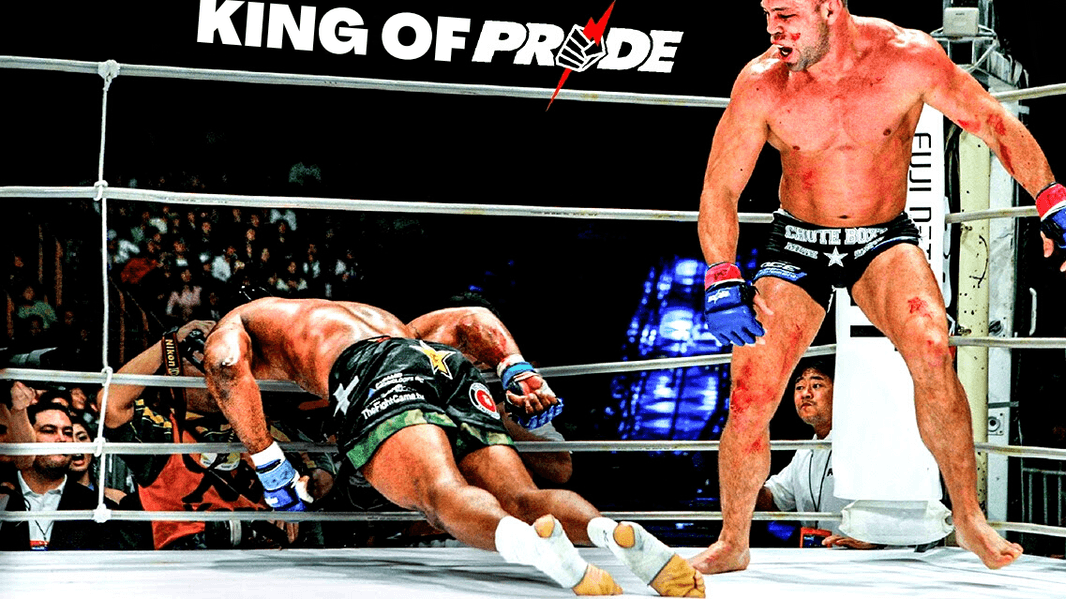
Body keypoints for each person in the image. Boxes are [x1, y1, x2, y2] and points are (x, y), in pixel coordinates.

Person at [693, 0, 1066, 573]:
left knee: (934, 349)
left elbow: (992, 123)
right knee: (750, 387)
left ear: (831, 10)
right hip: (796, 243)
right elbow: (719, 189)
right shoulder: (761, 82)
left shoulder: (907, 58)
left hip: (881, 238)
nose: (773, 30)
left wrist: (1053, 198)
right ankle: (733, 539)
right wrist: (722, 274)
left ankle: (968, 519)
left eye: (786, 16)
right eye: (768, 16)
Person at [201, 297, 704, 596]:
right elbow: (470, 318)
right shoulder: (365, 315)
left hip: (370, 371)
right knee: (522, 497)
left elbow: (223, 366)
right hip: (438, 361)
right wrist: (514, 366)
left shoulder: (241, 321)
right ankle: (606, 530)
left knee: (439, 495)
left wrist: (268, 462)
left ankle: (539, 551)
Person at [104, 319, 334, 550]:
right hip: (190, 554)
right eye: (198, 362)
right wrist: (169, 343)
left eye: (216, 361)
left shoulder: (263, 425)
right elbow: (110, 404)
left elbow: (321, 475)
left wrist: (294, 500)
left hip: (268, 552)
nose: (211, 371)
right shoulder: (161, 429)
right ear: (173, 374)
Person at [756, 364, 880, 549]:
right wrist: (748, 477)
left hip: (862, 557)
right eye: (799, 387)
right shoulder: (804, 452)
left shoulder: (866, 442)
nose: (805, 394)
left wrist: (877, 539)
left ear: (841, 393)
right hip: (818, 556)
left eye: (816, 385)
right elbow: (773, 500)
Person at [0, 401, 116, 550]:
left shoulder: (98, 508)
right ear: (25, 436)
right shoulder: (4, 497)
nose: (62, 439)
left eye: (67, 433)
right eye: (49, 431)